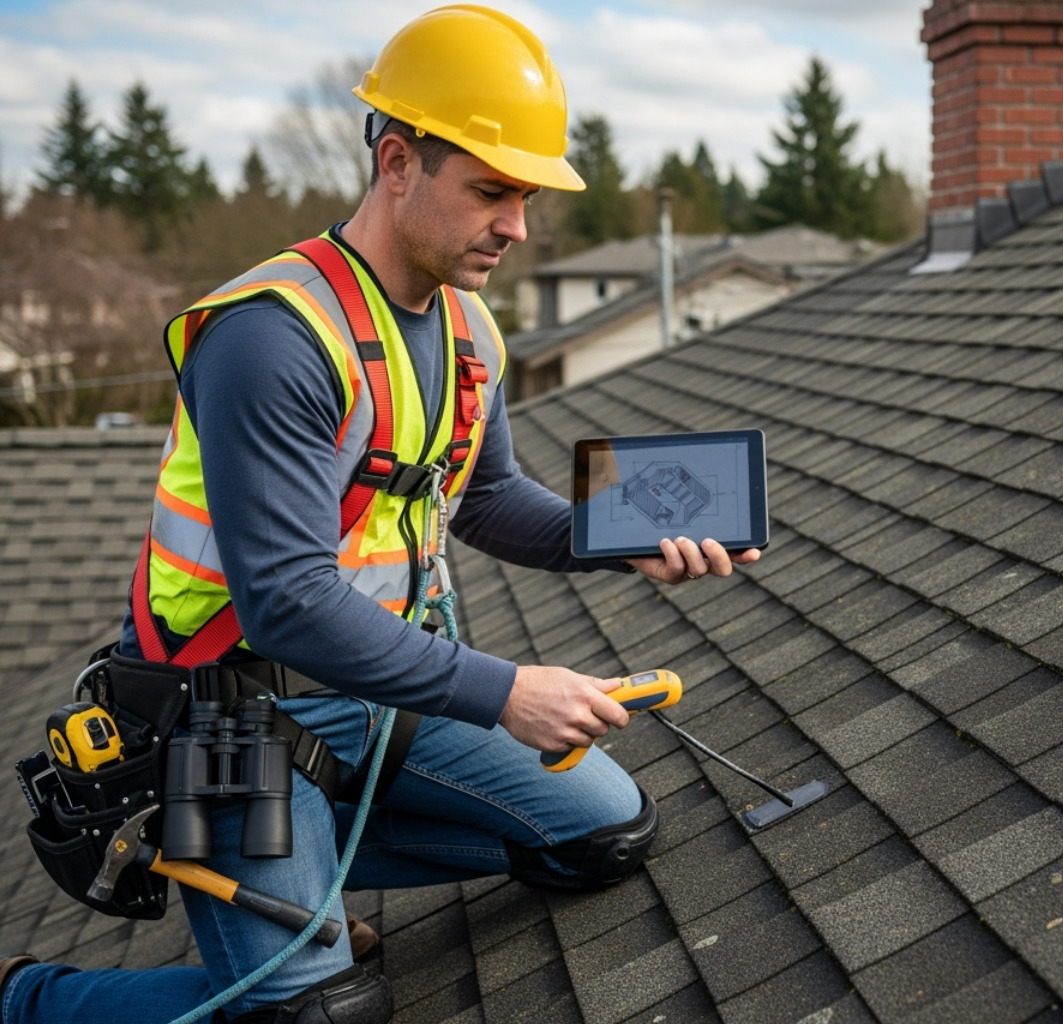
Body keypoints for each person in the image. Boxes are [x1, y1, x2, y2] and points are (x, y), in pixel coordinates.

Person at [0, 7, 758, 1022]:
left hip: (377, 698)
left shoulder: (468, 326)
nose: (518, 227)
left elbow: (484, 497)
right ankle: (35, 997)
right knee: (319, 1015)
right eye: (492, 191)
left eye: (526, 197)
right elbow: (286, 605)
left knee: (604, 832)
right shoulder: (273, 338)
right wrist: (505, 692)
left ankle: (302, 880)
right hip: (234, 720)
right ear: (397, 160)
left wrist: (620, 537)